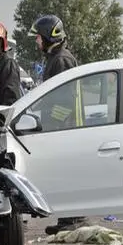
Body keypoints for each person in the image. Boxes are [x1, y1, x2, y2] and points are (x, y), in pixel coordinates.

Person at [29, 14, 86, 233]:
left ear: (48, 37)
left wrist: (53, 125)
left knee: (68, 174)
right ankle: (67, 220)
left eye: (38, 37)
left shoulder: (61, 60)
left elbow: (65, 99)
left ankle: (73, 220)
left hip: (66, 126)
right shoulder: (55, 58)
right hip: (63, 126)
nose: (36, 41)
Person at [29, 14, 78, 81]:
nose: (36, 40)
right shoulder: (54, 57)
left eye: (38, 37)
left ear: (46, 37)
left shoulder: (62, 59)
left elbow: (65, 87)